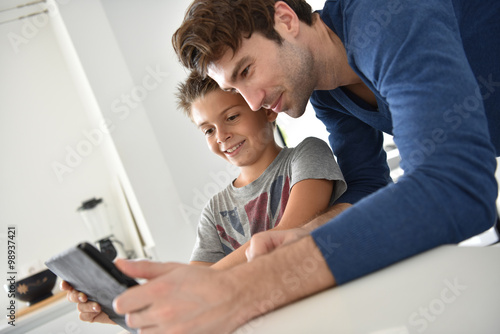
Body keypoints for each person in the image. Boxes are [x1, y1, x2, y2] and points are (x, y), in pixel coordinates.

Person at [77, 0, 500, 332]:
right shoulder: (327, 93)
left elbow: (456, 189)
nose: (254, 101)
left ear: (285, 18)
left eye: (247, 70)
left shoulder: (384, 15)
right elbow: (368, 183)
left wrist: (241, 290)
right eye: (234, 89)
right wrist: (306, 233)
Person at [62, 71, 347, 324]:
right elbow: (195, 296)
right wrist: (121, 312)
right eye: (208, 130)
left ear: (267, 110)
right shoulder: (215, 209)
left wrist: (183, 288)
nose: (221, 135)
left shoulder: (307, 155)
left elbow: (287, 235)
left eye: (232, 117)